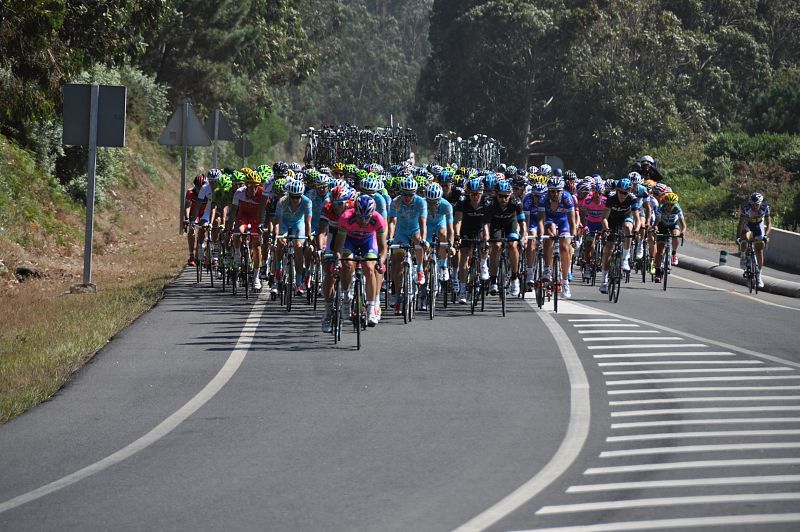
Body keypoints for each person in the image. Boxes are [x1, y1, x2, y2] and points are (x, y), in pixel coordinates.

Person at [332, 195, 388, 326]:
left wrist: (380, 262)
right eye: (360, 217)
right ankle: (346, 298)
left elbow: (383, 248)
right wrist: (338, 261)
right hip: (349, 241)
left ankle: (371, 307)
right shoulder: (346, 217)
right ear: (355, 212)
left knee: (369, 267)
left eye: (366, 217)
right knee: (346, 264)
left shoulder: (378, 219)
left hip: (368, 242)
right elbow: (339, 246)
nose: (363, 221)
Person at [387, 176, 428, 314]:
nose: (407, 197)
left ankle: (420, 269)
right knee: (398, 262)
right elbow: (392, 221)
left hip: (415, 230)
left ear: (415, 193)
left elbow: (423, 223)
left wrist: (424, 239)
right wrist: (390, 238)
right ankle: (398, 297)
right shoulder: (395, 202)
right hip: (401, 232)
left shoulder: (421, 202)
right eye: (405, 194)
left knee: (418, 240)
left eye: (410, 194)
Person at [228, 168, 268, 290]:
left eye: (256, 186)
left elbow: (264, 212)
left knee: (257, 246)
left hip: (257, 218)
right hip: (243, 216)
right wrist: (230, 229)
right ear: (246, 185)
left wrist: (262, 225)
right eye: (251, 186)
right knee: (238, 233)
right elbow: (233, 212)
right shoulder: (239, 192)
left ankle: (256, 277)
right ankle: (237, 254)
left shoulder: (263, 194)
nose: (254, 189)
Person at [537, 175, 576, 298]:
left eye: (557, 191)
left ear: (562, 191)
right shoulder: (543, 198)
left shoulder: (567, 198)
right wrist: (540, 235)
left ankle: (565, 282)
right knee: (549, 236)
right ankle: (547, 268)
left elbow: (572, 221)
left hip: (563, 221)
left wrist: (573, 237)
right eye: (552, 191)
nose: (555, 194)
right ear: (548, 191)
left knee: (565, 247)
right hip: (549, 220)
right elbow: (541, 220)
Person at [453, 177, 491, 304]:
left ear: (481, 193)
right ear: (468, 194)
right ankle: (462, 290)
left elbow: (488, 223)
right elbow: (458, 221)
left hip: (481, 227)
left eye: (478, 194)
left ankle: (483, 264)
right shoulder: (462, 202)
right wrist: (457, 235)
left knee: (484, 244)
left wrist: (486, 237)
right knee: (464, 254)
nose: (475, 197)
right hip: (466, 229)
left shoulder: (486, 202)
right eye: (472, 194)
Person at [486, 179, 527, 297]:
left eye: (506, 196)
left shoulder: (516, 202)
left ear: (510, 195)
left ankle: (514, 278)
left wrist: (524, 236)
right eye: (500, 196)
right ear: (496, 194)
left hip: (511, 224)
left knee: (513, 245)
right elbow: (486, 224)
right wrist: (486, 238)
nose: (503, 199)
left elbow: (522, 222)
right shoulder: (491, 203)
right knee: (496, 246)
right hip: (496, 225)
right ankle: (493, 280)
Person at [737, 192, 772, 288]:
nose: (754, 206)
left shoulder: (765, 208)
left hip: (758, 226)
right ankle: (743, 255)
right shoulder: (745, 208)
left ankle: (759, 275)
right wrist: (738, 237)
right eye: (752, 204)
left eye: (757, 204)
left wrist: (765, 236)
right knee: (744, 238)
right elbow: (740, 224)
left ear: (760, 203)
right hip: (747, 225)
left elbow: (769, 224)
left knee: (759, 249)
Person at [652, 192, 687, 283]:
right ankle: (658, 272)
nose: (670, 207)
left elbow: (683, 225)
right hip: (662, 225)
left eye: (672, 205)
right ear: (665, 203)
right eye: (668, 205)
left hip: (673, 225)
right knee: (660, 251)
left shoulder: (677, 209)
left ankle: (674, 253)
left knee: (676, 234)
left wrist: (682, 232)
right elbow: (656, 224)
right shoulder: (661, 209)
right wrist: (655, 229)